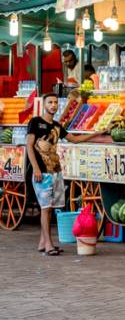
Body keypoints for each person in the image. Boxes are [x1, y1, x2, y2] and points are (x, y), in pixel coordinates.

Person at [25, 92, 106, 255]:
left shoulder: (57, 126)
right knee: (46, 209)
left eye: (55, 102)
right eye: (50, 102)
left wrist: (98, 132)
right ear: (44, 104)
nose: (53, 105)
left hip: (55, 171)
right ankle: (49, 244)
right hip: (42, 173)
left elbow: (75, 139)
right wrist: (36, 168)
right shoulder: (35, 122)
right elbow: (29, 146)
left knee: (49, 208)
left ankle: (43, 242)